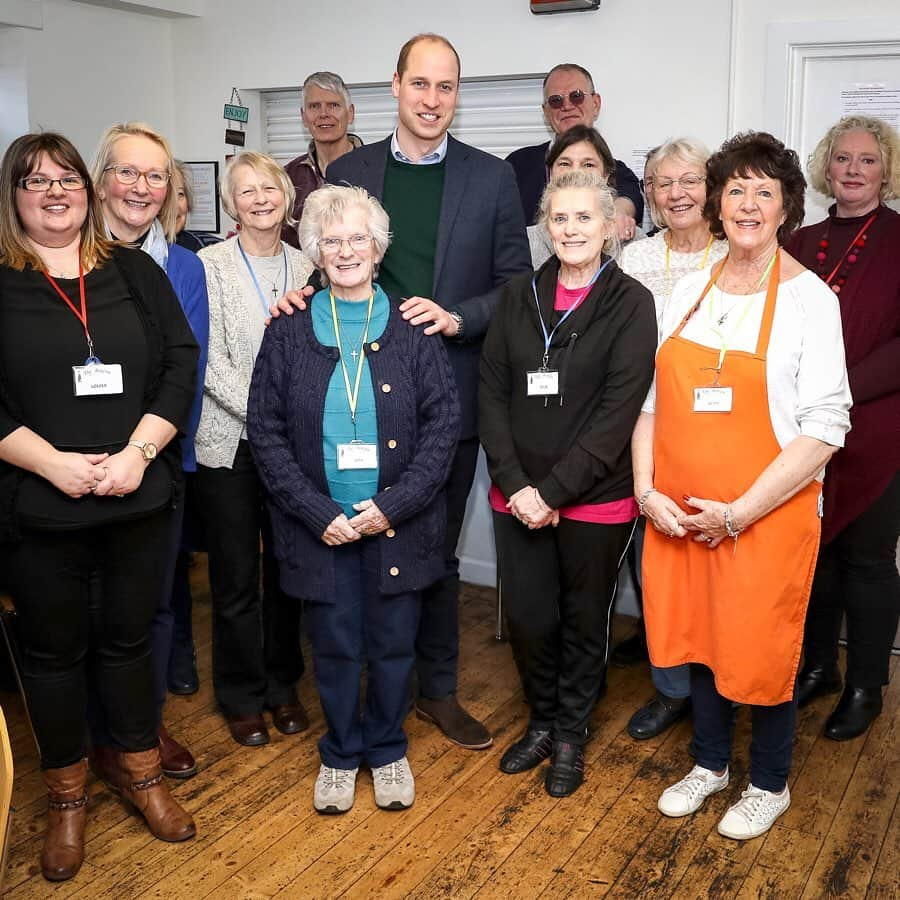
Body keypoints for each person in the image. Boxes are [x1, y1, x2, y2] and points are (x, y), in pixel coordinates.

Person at [637, 132, 851, 840]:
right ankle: (709, 764)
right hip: (680, 514)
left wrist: (738, 513)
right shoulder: (690, 289)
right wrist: (647, 493)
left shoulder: (809, 300)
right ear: (716, 203)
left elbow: (825, 427)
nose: (749, 204)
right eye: (736, 190)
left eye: (765, 191)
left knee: (762, 647)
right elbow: (649, 402)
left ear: (788, 205)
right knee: (700, 638)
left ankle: (768, 781)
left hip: (765, 515)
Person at [0, 132, 198, 881]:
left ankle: (142, 776)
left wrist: (137, 455)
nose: (54, 192)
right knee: (53, 658)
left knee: (129, 644)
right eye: (35, 180)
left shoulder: (134, 272)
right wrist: (51, 463)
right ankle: (67, 800)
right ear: (12, 195)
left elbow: (181, 364)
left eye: (66, 179)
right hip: (38, 508)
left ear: (88, 191)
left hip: (135, 497)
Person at [327, 33, 531, 751]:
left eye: (446, 88)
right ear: (395, 86)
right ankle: (366, 684)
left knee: (435, 551)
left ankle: (436, 690)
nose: (432, 100)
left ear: (457, 95)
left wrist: (458, 316)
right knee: (356, 537)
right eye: (420, 85)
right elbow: (327, 263)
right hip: (355, 397)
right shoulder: (349, 170)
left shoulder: (492, 177)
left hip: (451, 389)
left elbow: (514, 284)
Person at [248, 184, 459, 813]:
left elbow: (443, 428)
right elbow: (265, 429)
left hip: (396, 523)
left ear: (377, 247)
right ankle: (340, 752)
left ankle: (388, 747)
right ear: (314, 248)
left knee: (395, 644)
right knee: (336, 647)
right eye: (331, 240)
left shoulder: (414, 326)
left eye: (357, 238)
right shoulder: (287, 329)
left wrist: (390, 507)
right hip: (322, 528)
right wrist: (318, 514)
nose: (345, 250)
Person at [480, 170, 657, 797]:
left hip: (594, 497)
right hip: (516, 491)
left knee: (584, 621)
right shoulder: (516, 297)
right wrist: (517, 485)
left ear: (609, 228)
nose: (572, 230)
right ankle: (542, 721)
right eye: (560, 219)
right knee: (529, 619)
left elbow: (617, 415)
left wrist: (551, 493)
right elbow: (492, 394)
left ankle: (572, 734)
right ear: (545, 227)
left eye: (585, 218)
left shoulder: (632, 303)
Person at [89, 121, 209, 782]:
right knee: (90, 610)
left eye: (155, 175)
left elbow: (183, 367)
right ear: (102, 178)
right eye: (128, 172)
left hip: (155, 459)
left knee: (155, 603)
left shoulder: (184, 266)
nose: (141, 187)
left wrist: (143, 451)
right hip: (70, 463)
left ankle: (143, 724)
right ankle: (93, 736)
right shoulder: (59, 258)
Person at [195, 151, 313, 747]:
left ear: (287, 197)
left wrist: (290, 426)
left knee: (288, 571)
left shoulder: (308, 264)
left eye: (270, 187)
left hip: (294, 451)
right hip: (229, 445)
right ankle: (241, 695)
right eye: (246, 191)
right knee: (237, 575)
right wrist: (267, 417)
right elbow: (204, 359)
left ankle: (283, 685)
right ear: (231, 203)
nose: (260, 198)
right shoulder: (207, 266)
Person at [787, 116, 900, 740]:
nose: (852, 170)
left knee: (869, 562)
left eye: (866, 160)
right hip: (805, 431)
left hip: (879, 431)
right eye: (842, 159)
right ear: (825, 168)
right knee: (816, 558)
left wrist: (844, 390)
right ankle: (818, 667)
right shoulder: (801, 242)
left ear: (885, 170)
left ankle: (866, 686)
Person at [617, 138, 729, 742]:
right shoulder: (633, 259)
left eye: (690, 180)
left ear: (709, 188)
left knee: (712, 562)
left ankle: (720, 679)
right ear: (651, 195)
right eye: (664, 183)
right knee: (651, 564)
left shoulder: (734, 254)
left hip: (712, 430)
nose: (678, 193)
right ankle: (671, 688)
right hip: (638, 425)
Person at [506, 63, 643, 236]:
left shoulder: (617, 170)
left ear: (595, 103)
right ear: (545, 111)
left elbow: (630, 200)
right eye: (556, 100)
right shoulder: (517, 165)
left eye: (576, 96)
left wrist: (618, 213)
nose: (567, 106)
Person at [527, 125, 643, 268]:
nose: (576, 172)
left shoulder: (633, 240)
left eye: (588, 165)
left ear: (606, 175)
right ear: (550, 173)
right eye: (565, 164)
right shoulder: (526, 242)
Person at [281, 71, 362, 249]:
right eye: (314, 106)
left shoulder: (376, 167)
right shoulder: (288, 177)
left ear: (351, 113)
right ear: (303, 116)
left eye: (333, 105)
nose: (324, 114)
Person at [173, 160, 222, 253]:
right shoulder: (139, 253)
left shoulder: (212, 250)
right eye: (166, 196)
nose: (174, 206)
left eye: (180, 194)